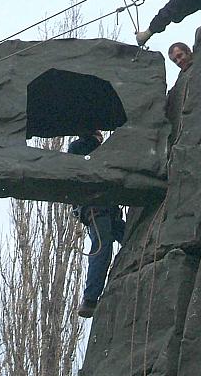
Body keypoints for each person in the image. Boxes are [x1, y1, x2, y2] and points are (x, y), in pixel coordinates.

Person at [67, 130, 126, 319]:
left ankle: (91, 298)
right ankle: (90, 299)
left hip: (106, 209)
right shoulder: (80, 146)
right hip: (94, 207)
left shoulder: (94, 148)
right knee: (103, 245)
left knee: (127, 235)